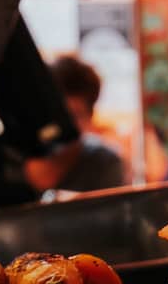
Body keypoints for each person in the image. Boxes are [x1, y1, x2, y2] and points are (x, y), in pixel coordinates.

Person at [24, 53, 132, 197]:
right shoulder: (13, 158)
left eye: (75, 116)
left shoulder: (104, 164)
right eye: (59, 114)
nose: (64, 124)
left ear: (90, 117)